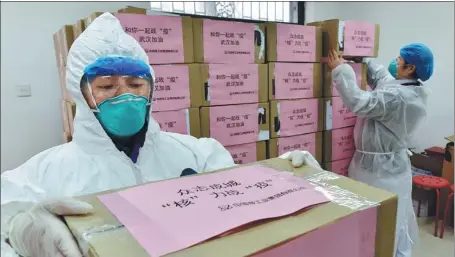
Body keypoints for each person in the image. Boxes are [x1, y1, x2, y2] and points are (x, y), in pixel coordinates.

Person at [1, 13, 312, 257]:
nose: (126, 97)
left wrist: (290, 178)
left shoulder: (197, 154)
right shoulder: (44, 174)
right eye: (107, 86)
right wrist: (18, 231)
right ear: (80, 94)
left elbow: (245, 206)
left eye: (136, 85)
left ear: (152, 88)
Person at [321, 44, 433, 257]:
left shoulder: (400, 97)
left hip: (383, 172)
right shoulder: (407, 88)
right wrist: (362, 59)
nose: (395, 61)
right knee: (377, 221)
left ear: (410, 68)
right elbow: (383, 79)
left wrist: (341, 70)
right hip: (379, 167)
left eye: (399, 60)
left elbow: (360, 102)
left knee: (384, 224)